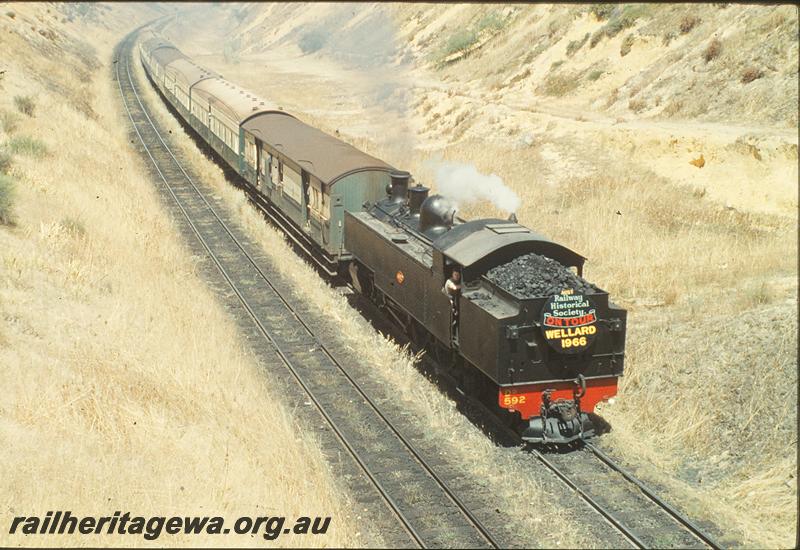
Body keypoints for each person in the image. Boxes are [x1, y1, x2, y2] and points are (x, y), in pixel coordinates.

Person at [443, 268, 461, 342]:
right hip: (449, 303)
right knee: (453, 319)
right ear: (452, 275)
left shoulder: (456, 281)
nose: (456, 276)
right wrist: (463, 286)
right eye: (455, 275)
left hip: (454, 301)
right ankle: (452, 335)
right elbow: (454, 287)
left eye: (458, 275)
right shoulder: (449, 281)